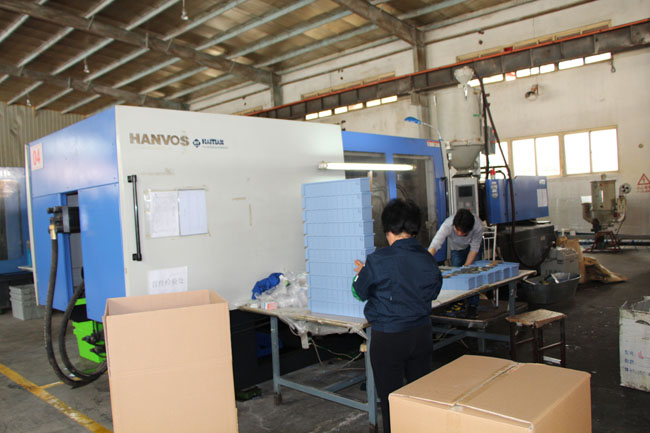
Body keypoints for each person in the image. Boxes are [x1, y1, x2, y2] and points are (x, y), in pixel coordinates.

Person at [352, 198, 442, 433]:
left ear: (388, 229)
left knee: (391, 401)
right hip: (422, 335)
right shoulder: (428, 258)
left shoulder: (377, 260)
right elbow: (434, 291)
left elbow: (360, 292)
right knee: (418, 396)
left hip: (389, 339)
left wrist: (362, 273)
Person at [428, 208, 484, 317]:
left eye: (463, 233)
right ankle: (457, 302)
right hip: (456, 249)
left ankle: (473, 305)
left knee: (473, 275)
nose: (459, 234)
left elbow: (474, 248)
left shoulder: (478, 226)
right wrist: (425, 260)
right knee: (456, 276)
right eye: (457, 230)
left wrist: (466, 267)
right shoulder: (447, 225)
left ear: (470, 229)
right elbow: (435, 244)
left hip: (472, 249)